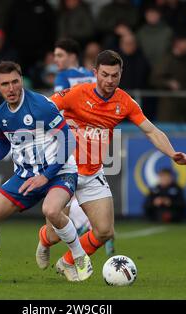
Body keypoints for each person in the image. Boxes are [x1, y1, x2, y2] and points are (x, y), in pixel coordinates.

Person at [36, 50, 186, 281]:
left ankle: (67, 262)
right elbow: (44, 109)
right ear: (95, 73)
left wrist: (171, 153)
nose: (109, 80)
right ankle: (44, 240)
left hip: (92, 173)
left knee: (104, 232)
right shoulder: (76, 94)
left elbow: (150, 130)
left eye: (115, 76)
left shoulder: (125, 102)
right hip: (65, 171)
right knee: (54, 232)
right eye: (105, 75)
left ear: (121, 74)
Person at [0, 61, 93, 284]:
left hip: (60, 171)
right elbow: (4, 144)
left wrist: (46, 175)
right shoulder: (0, 114)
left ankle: (79, 258)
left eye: (15, 81)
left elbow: (69, 140)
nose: (11, 88)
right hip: (26, 176)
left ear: (21, 80)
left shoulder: (40, 106)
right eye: (5, 84)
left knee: (51, 210)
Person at [53, 38, 116, 256]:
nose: (56, 60)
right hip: (95, 141)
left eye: (60, 55)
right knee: (88, 183)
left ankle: (84, 227)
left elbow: (57, 110)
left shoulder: (63, 77)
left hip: (70, 142)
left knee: (67, 193)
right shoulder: (93, 76)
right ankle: (94, 226)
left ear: (72, 55)